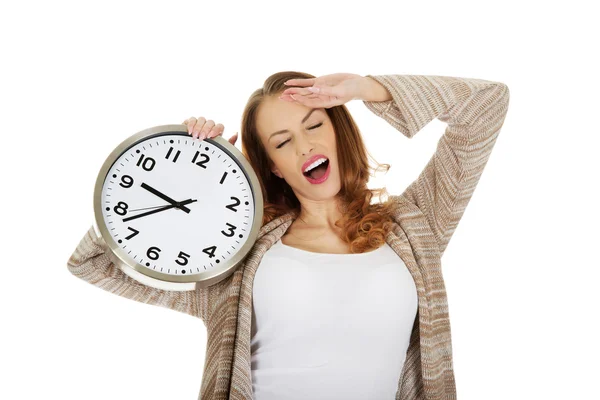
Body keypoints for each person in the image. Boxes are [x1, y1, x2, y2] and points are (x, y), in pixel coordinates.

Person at [67, 71, 510, 400]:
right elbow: (91, 263)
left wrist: (365, 88)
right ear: (273, 166)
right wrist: (191, 164)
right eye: (282, 142)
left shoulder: (415, 227)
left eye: (314, 125)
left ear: (338, 129)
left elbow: (487, 105)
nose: (305, 147)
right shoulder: (239, 255)